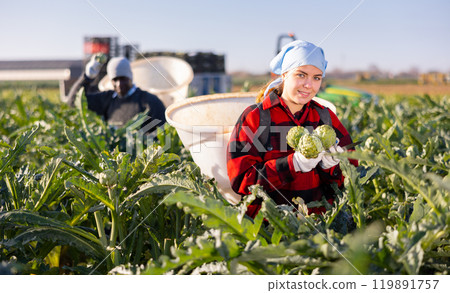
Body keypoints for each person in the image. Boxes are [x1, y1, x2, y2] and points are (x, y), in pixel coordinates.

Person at [227, 40, 358, 218]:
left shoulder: (325, 118)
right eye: (301, 75)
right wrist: (291, 165)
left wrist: (332, 167)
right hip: (268, 227)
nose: (309, 85)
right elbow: (241, 181)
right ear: (285, 74)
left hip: (319, 227)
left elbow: (352, 179)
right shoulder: (255, 117)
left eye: (316, 78)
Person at [65, 54, 166, 131]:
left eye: (123, 79)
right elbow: (73, 102)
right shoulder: (107, 99)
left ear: (130, 77)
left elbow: (163, 132)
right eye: (115, 80)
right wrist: (86, 78)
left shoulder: (150, 101)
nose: (119, 84)